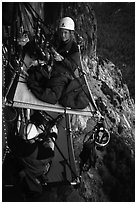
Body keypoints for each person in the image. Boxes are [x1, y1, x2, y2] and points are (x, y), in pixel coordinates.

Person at [27, 17, 80, 104]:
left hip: (62, 77)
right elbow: (48, 54)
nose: (63, 35)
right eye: (62, 32)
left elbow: (73, 67)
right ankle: (36, 86)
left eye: (66, 33)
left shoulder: (74, 49)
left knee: (53, 98)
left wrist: (62, 59)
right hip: (51, 71)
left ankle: (35, 87)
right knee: (34, 74)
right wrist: (40, 62)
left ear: (71, 33)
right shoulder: (58, 42)